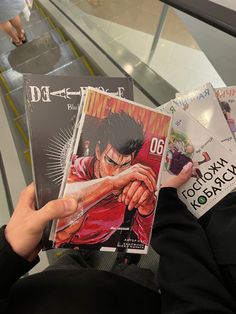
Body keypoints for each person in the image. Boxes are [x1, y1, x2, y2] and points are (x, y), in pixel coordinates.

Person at [1, 162, 236, 314]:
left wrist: (9, 249)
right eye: (112, 162)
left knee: (74, 257)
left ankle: (89, 251)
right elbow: (200, 303)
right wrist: (163, 207)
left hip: (57, 281)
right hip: (138, 293)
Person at [55, 112, 157, 249]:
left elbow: (146, 239)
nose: (117, 172)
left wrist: (148, 207)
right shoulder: (74, 173)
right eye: (110, 161)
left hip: (108, 240)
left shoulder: (133, 178)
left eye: (125, 164)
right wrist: (112, 183)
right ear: (98, 151)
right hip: (73, 246)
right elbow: (56, 215)